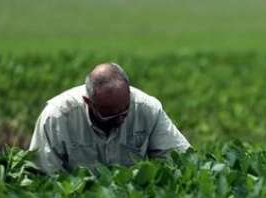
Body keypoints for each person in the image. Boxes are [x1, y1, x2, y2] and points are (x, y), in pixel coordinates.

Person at [29, 63, 190, 174]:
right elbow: (44, 175)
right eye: (111, 114)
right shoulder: (56, 117)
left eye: (126, 110)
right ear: (88, 102)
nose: (121, 119)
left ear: (129, 93)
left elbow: (181, 160)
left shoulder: (148, 108)